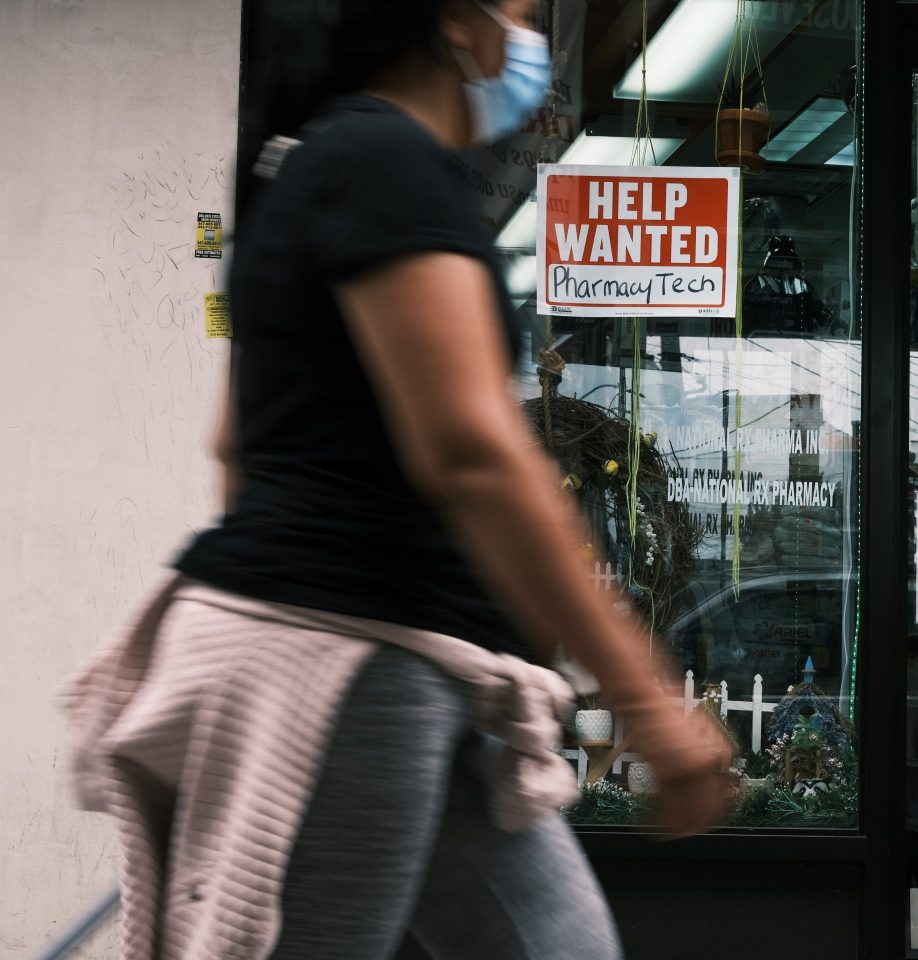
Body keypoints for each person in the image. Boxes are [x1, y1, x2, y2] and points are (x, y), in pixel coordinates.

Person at [61, 2, 732, 958]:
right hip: (355, 673)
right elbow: (471, 453)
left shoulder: (324, 164)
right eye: (521, 11)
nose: (529, 33)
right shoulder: (383, 164)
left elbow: (233, 448)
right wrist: (651, 703)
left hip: (423, 666)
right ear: (455, 22)